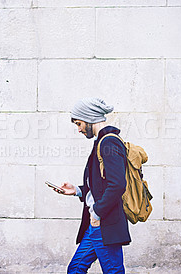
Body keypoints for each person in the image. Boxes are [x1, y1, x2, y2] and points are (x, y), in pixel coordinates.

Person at [54, 97, 131, 273]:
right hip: (96, 223)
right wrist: (77, 191)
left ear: (89, 119)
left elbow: (117, 185)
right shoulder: (101, 142)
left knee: (113, 271)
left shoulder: (109, 142)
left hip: (104, 222)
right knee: (75, 268)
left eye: (79, 123)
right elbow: (101, 184)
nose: (79, 129)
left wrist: (97, 212)